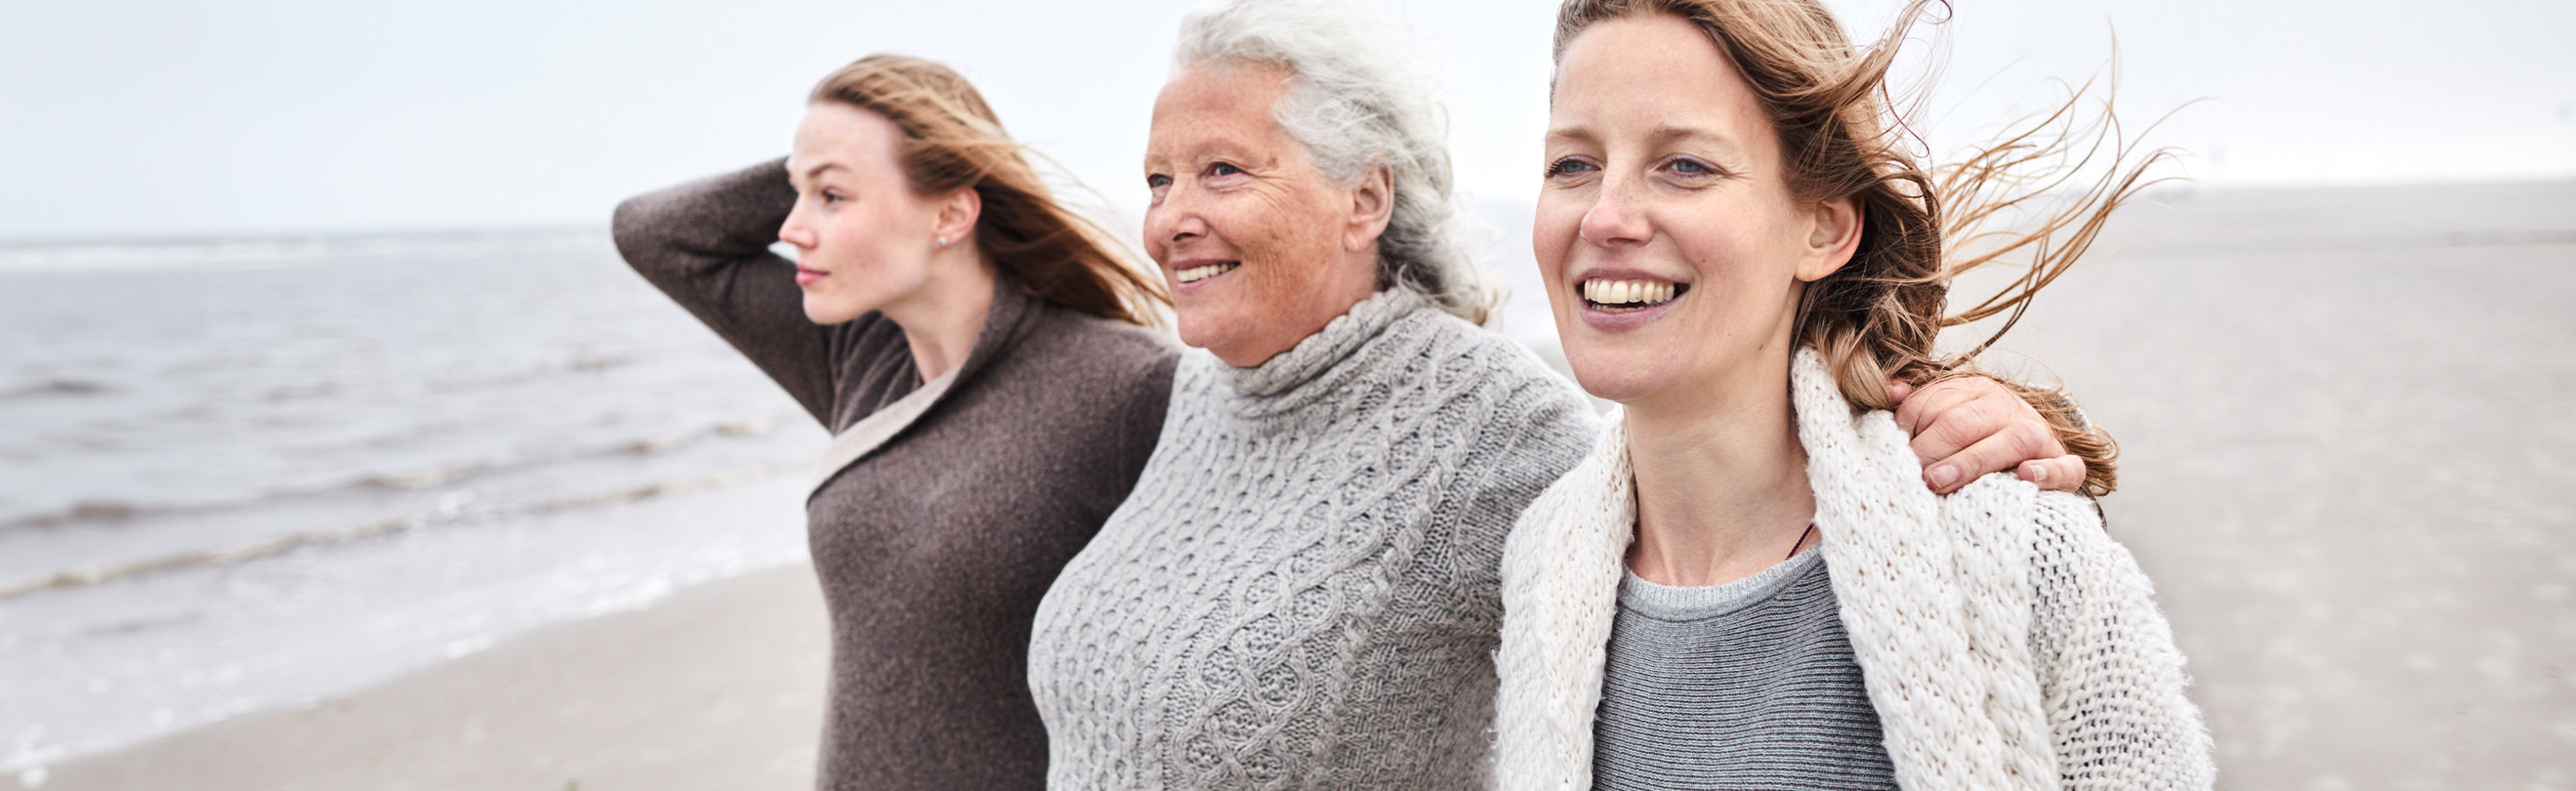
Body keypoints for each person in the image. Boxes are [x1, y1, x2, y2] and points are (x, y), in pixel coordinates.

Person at [1021, 0, 2094, 787]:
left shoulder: (1485, 429)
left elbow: (1700, 467)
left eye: (1221, 171)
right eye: (1158, 180)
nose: (1168, 217)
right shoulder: (1202, 397)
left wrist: (1953, 424)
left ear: (1364, 198)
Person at [1485, 0, 2215, 787]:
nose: (1606, 216)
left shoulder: (2009, 551)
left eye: (1685, 165)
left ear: (1825, 229)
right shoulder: (1543, 568)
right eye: (1572, 164)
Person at [609, 54, 1183, 790]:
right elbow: (653, 236)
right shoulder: (858, 355)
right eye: (795, 196)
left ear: (950, 213)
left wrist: (903, 146)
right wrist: (823, 156)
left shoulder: (1123, 383)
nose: (790, 229)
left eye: (832, 198)